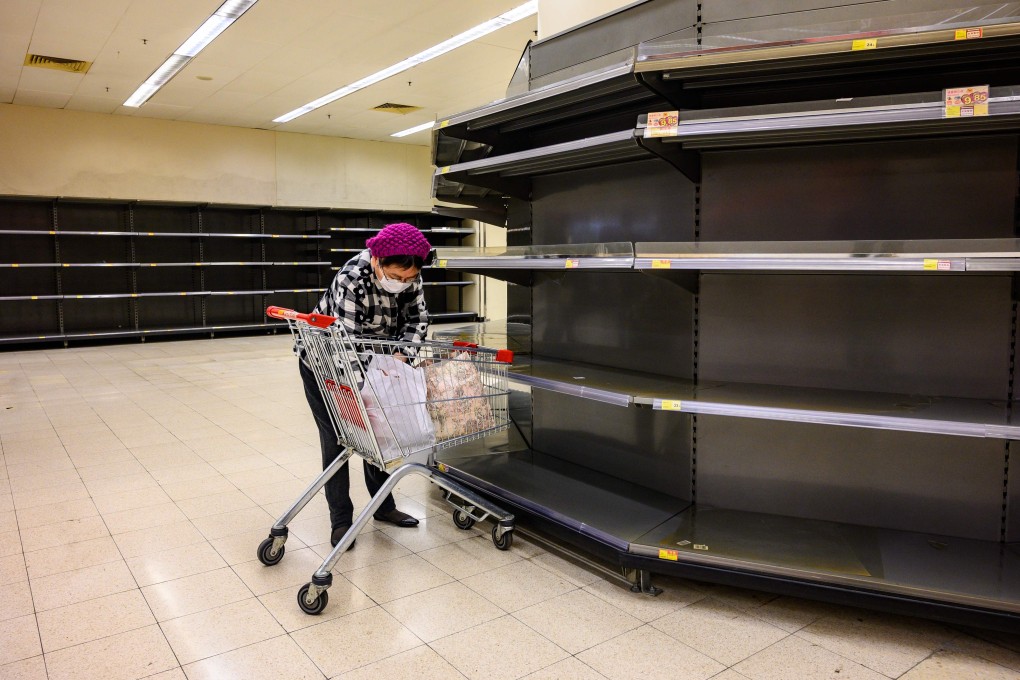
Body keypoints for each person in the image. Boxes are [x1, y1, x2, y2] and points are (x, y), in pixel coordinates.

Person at [299, 222, 434, 547]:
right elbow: (345, 345)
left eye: (408, 279)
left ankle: (382, 507)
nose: (402, 284)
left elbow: (419, 320)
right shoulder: (352, 278)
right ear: (377, 260)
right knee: (339, 441)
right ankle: (341, 520)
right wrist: (368, 389)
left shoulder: (410, 276)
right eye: (396, 277)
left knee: (380, 435)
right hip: (327, 364)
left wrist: (400, 356)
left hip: (383, 363)